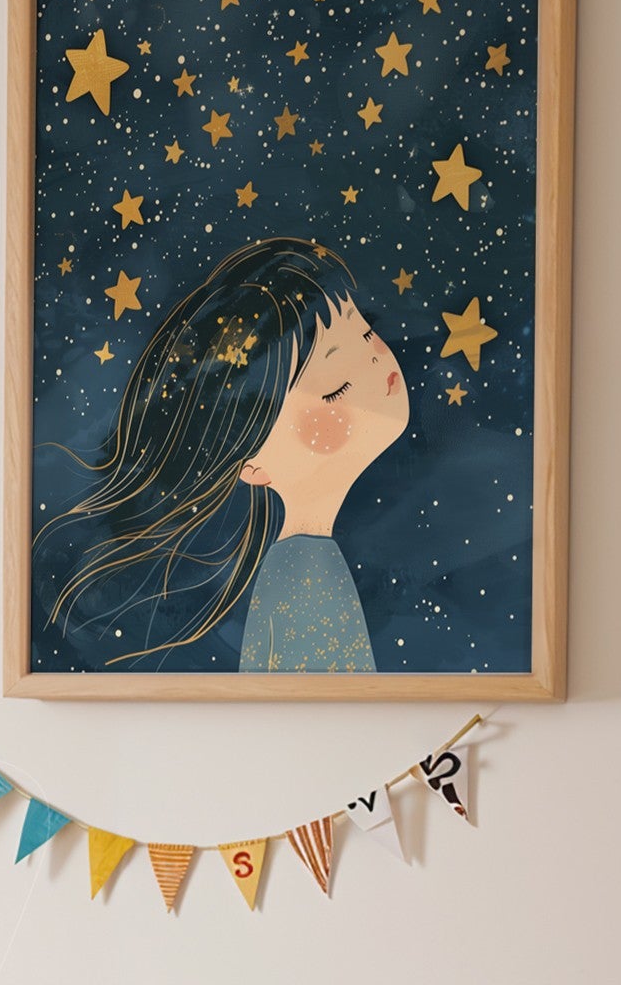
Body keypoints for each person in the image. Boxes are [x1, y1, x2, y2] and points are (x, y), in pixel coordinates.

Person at [42, 237, 409, 672]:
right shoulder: (305, 574)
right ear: (252, 464)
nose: (374, 363)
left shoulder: (303, 563)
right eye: (336, 389)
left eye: (367, 332)